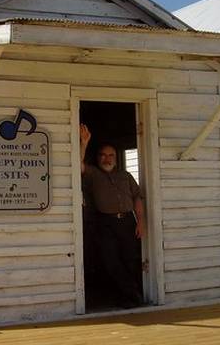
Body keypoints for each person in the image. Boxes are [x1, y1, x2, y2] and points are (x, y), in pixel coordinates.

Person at [80, 123, 146, 309]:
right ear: (98, 157)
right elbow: (78, 165)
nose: (106, 159)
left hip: (127, 221)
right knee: (110, 261)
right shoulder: (93, 174)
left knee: (130, 259)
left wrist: (140, 221)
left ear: (116, 158)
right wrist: (84, 143)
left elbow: (137, 197)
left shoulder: (125, 175)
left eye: (110, 155)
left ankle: (132, 297)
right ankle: (129, 295)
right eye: (103, 155)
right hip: (105, 223)